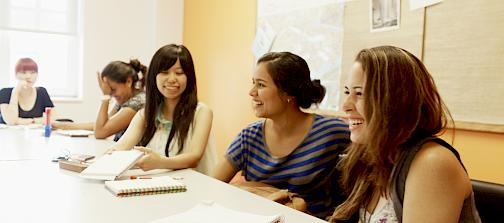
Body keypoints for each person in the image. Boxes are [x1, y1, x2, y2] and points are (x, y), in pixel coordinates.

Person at [329, 46, 481, 222]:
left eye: (360, 93)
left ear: (396, 100)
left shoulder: (432, 163)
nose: (346, 105)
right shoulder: (375, 155)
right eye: (347, 92)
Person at [212, 52, 351, 219]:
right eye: (253, 83)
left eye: (261, 85)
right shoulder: (248, 137)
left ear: (288, 93)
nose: (251, 92)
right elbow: (213, 186)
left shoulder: (331, 132)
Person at [106, 44, 217, 175]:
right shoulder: (145, 114)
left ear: (189, 77)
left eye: (179, 73)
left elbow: (194, 158)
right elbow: (121, 147)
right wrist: (108, 156)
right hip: (161, 185)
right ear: (154, 76)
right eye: (164, 72)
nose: (172, 79)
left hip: (196, 186)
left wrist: (159, 162)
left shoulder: (202, 112)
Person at [52, 59, 147, 141]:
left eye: (113, 90)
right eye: (109, 92)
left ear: (129, 82)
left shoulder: (138, 102)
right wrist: (62, 126)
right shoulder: (126, 99)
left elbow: (100, 132)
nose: (112, 95)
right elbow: (101, 124)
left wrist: (105, 96)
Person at [0, 58, 54, 125]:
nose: (28, 76)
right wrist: (15, 92)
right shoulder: (4, 92)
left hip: (34, 133)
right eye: (23, 72)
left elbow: (52, 118)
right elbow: (11, 121)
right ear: (16, 75)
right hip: (8, 134)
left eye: (33, 72)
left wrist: (32, 121)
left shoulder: (42, 92)